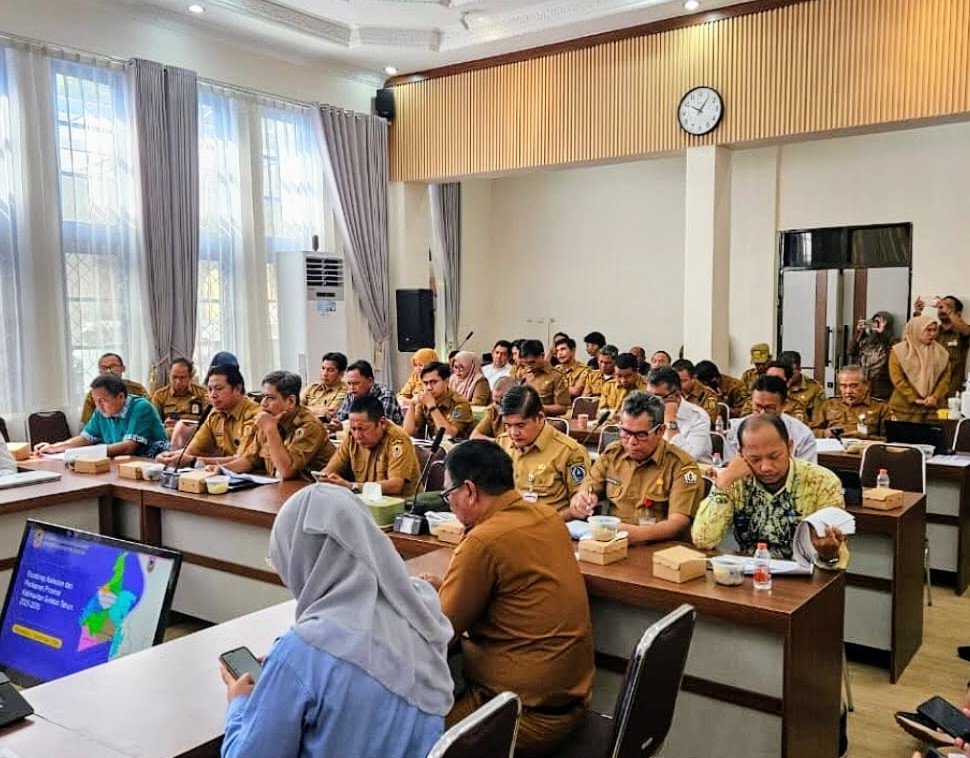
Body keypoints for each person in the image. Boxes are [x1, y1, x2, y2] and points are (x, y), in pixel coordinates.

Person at [219, 485, 453, 758]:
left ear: (299, 561)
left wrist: (239, 702)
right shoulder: (419, 611)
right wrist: (284, 668)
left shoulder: (302, 653)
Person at [419, 441, 594, 758]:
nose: (450, 504)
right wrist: (448, 588)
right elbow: (512, 598)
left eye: (449, 494)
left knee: (409, 739)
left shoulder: (483, 541)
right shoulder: (547, 517)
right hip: (568, 702)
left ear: (469, 491)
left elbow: (439, 635)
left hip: (519, 716)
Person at [692, 414, 849, 569]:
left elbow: (838, 558)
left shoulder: (822, 482)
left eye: (774, 456)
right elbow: (703, 541)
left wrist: (828, 554)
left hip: (807, 578)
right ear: (741, 454)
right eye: (755, 459)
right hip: (750, 576)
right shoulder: (736, 479)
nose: (766, 467)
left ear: (790, 447)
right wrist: (723, 482)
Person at [568, 391, 703, 544]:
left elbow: (678, 522)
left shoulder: (682, 465)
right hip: (613, 541)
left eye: (641, 435)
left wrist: (637, 534)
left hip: (659, 546)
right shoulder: (613, 454)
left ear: (660, 431)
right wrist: (583, 498)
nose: (631, 442)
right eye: (625, 432)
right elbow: (589, 486)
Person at [494, 385, 591, 514]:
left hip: (549, 522)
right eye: (507, 426)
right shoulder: (502, 443)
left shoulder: (569, 452)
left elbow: (581, 507)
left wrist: (547, 521)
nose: (513, 433)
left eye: (520, 425)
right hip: (507, 518)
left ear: (540, 418)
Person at [227, 371, 333, 481]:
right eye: (263, 397)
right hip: (278, 487)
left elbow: (286, 471)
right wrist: (221, 469)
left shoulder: (310, 426)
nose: (263, 403)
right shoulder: (270, 419)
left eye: (270, 398)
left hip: (310, 487)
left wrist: (270, 430)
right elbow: (250, 460)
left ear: (291, 401)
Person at [36, 375, 167, 458]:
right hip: (122, 464)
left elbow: (128, 447)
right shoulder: (101, 412)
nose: (98, 406)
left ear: (121, 397)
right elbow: (85, 439)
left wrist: (84, 453)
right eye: (95, 401)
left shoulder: (141, 407)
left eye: (103, 401)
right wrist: (55, 447)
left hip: (152, 462)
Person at [156, 364, 259, 467]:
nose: (212, 395)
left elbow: (243, 461)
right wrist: (169, 456)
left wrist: (194, 461)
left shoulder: (254, 415)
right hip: (225, 472)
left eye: (219, 388)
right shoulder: (215, 414)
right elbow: (192, 450)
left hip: (255, 474)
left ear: (237, 389)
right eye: (210, 389)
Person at [321, 395, 421, 497]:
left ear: (381, 423)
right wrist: (325, 478)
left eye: (362, 429)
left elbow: (395, 485)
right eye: (353, 428)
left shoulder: (398, 440)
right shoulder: (352, 438)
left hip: (398, 503)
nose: (357, 435)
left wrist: (352, 486)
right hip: (365, 500)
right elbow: (330, 470)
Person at [725, 375, 817, 463]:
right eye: (758, 407)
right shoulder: (735, 430)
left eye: (770, 408)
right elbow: (730, 466)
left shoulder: (802, 435)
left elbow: (807, 470)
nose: (762, 413)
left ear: (784, 405)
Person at [888, 316, 951, 422]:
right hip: (904, 410)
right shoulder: (898, 352)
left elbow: (945, 380)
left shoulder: (942, 353)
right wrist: (913, 398)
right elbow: (897, 379)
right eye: (928, 330)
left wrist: (935, 396)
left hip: (933, 410)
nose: (932, 334)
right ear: (916, 330)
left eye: (934, 330)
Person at [645, 365, 713, 463]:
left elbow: (687, 457)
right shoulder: (646, 410)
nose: (649, 403)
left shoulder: (698, 417)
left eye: (656, 398)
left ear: (676, 395)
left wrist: (670, 420)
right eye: (648, 396)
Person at [915, 295, 970, 397]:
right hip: (929, 393)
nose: (942, 309)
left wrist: (948, 311)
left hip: (952, 393)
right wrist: (918, 314)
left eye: (948, 306)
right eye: (940, 306)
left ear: (958, 313)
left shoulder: (961, 332)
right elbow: (914, 337)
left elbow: (967, 331)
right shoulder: (933, 332)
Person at [403, 361, 474, 440]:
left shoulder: (460, 402)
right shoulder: (425, 399)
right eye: (425, 383)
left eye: (434, 382)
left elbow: (448, 435)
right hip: (435, 445)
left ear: (446, 382)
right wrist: (412, 405)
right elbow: (408, 433)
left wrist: (432, 407)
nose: (429, 387)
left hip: (459, 445)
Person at [813, 365, 888, 440]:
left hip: (864, 446)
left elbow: (890, 440)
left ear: (866, 386)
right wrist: (824, 433)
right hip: (833, 445)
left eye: (854, 386)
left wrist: (864, 437)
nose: (848, 391)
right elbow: (811, 432)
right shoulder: (829, 405)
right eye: (844, 386)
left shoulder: (881, 408)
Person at [80, 352, 148, 424]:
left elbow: (148, 414)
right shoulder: (94, 394)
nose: (108, 371)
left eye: (113, 366)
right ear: (99, 371)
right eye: (104, 368)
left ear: (123, 368)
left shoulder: (137, 389)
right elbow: (87, 423)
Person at [333, 360, 403, 426]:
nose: (351, 388)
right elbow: (340, 418)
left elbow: (380, 426)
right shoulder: (352, 394)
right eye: (349, 383)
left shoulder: (386, 395)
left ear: (370, 381)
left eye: (356, 383)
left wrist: (344, 426)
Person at [150, 358, 208, 433]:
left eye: (182, 378)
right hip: (170, 432)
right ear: (169, 375)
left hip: (195, 433)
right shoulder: (160, 396)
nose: (178, 381)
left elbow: (208, 420)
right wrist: (164, 425)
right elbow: (153, 424)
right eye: (174, 377)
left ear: (190, 377)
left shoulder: (202, 393)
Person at [849, 311, 897, 400]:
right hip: (863, 384)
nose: (876, 324)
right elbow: (851, 351)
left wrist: (883, 332)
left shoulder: (892, 341)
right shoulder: (867, 340)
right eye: (875, 321)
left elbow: (895, 356)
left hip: (881, 388)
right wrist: (859, 332)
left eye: (881, 322)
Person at [516, 340, 570, 416]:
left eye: (532, 362)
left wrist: (537, 408)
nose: (529, 366)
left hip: (545, 419)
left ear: (542, 356)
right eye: (526, 363)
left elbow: (562, 408)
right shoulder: (523, 373)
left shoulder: (556, 376)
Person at [777, 350, 825, 424]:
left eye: (791, 374)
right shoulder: (773, 384)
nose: (787, 378)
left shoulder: (814, 388)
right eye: (785, 373)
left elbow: (818, 421)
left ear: (799, 369)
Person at [598, 352, 646, 419]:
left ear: (636, 372)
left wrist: (621, 416)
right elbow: (600, 413)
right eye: (619, 376)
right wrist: (616, 415)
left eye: (628, 376)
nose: (623, 380)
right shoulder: (609, 386)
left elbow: (646, 416)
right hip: (610, 424)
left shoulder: (647, 388)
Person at [302, 352, 348, 420]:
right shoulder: (312, 387)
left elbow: (330, 414)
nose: (324, 374)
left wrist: (304, 410)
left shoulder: (344, 391)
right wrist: (321, 411)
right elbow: (295, 408)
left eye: (330, 370)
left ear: (341, 374)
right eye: (323, 368)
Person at [672, 359, 720, 426]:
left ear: (693, 378)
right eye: (675, 381)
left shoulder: (710, 396)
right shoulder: (671, 393)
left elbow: (710, 419)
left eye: (683, 381)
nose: (678, 385)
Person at [470, 375, 514, 440]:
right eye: (495, 402)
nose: (497, 406)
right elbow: (474, 436)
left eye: (502, 402)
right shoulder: (493, 411)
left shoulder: (522, 413)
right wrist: (497, 442)